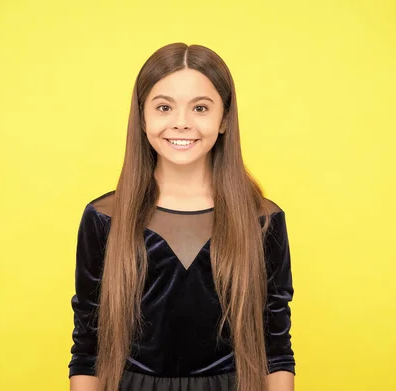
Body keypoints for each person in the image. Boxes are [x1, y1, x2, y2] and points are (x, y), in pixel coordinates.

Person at [68, 42, 296, 391]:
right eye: (164, 107)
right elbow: (88, 345)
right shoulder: (103, 219)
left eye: (200, 108)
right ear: (142, 118)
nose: (181, 123)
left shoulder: (262, 221)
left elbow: (276, 348)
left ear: (224, 119)